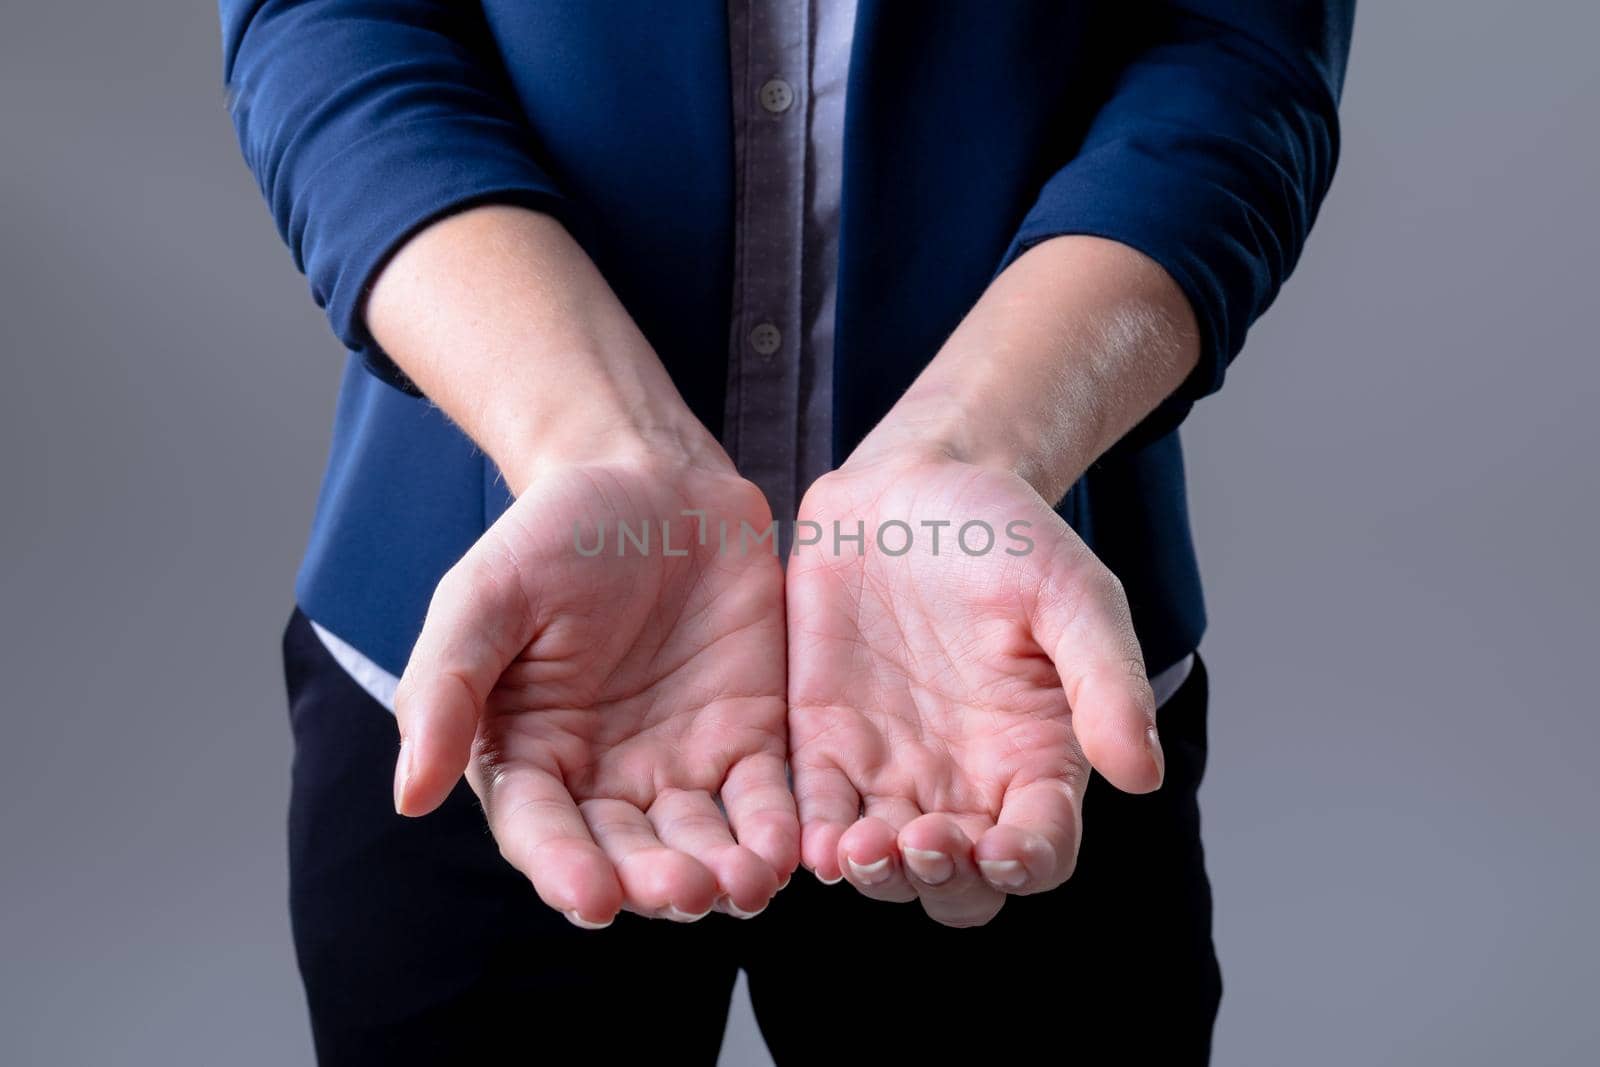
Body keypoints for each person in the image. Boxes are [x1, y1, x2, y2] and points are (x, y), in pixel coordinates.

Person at [221, 1, 1352, 1062]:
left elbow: (1232, 50)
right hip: (514, 667)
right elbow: (329, 19)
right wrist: (591, 440)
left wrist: (972, 451)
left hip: (1004, 684)